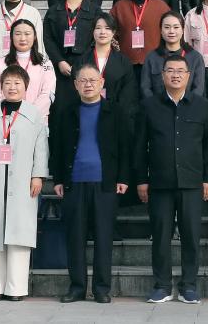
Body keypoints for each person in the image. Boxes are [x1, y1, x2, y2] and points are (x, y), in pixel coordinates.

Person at [134, 55, 208, 305]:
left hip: (192, 182)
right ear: (162, 75)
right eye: (170, 70)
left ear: (189, 76)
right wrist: (141, 179)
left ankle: (189, 286)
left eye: (181, 71)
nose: (176, 75)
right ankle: (162, 285)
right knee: (160, 236)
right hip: (160, 182)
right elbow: (139, 146)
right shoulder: (149, 106)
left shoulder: (201, 105)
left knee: (191, 236)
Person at [50, 63, 130, 304]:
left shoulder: (115, 111)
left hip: (105, 182)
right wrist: (58, 178)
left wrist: (123, 177)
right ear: (75, 85)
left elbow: (125, 146)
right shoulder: (66, 112)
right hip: (74, 182)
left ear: (101, 83)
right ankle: (77, 287)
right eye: (83, 80)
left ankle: (101, 288)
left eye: (92, 80)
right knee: (75, 237)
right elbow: (57, 147)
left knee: (104, 238)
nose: (88, 84)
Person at [0, 64, 49, 301]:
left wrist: (38, 175)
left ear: (26, 87)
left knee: (18, 236)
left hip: (22, 182)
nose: (12, 87)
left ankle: (15, 288)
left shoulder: (34, 115)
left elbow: (41, 148)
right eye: (7, 83)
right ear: (0, 86)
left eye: (17, 83)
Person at [43, 0, 100, 99]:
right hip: (59, 68)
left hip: (86, 66)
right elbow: (47, 38)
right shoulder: (53, 11)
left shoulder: (95, 10)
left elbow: (96, 39)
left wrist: (82, 61)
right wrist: (59, 61)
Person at [0, 19, 56, 124]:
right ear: (11, 37)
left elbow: (47, 94)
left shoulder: (45, 64)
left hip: (35, 120)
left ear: (35, 37)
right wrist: (7, 115)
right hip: (5, 121)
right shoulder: (0, 63)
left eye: (27, 34)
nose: (23, 38)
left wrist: (28, 115)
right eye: (18, 34)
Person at [110, 0, 171, 77]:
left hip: (155, 64)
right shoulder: (119, 7)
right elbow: (110, 31)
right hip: (126, 64)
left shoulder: (161, 6)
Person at [75, 12, 139, 109]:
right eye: (98, 28)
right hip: (87, 109)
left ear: (113, 32)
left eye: (107, 28)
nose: (102, 32)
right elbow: (75, 90)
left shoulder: (124, 62)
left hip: (116, 112)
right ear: (93, 31)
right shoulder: (82, 61)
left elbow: (128, 93)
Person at [141, 11, 206, 101]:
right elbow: (145, 88)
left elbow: (198, 88)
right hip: (158, 107)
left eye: (176, 27)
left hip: (188, 107)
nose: (171, 31)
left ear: (183, 30)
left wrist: (187, 105)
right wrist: (156, 105)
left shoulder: (195, 57)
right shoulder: (152, 57)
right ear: (161, 30)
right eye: (167, 27)